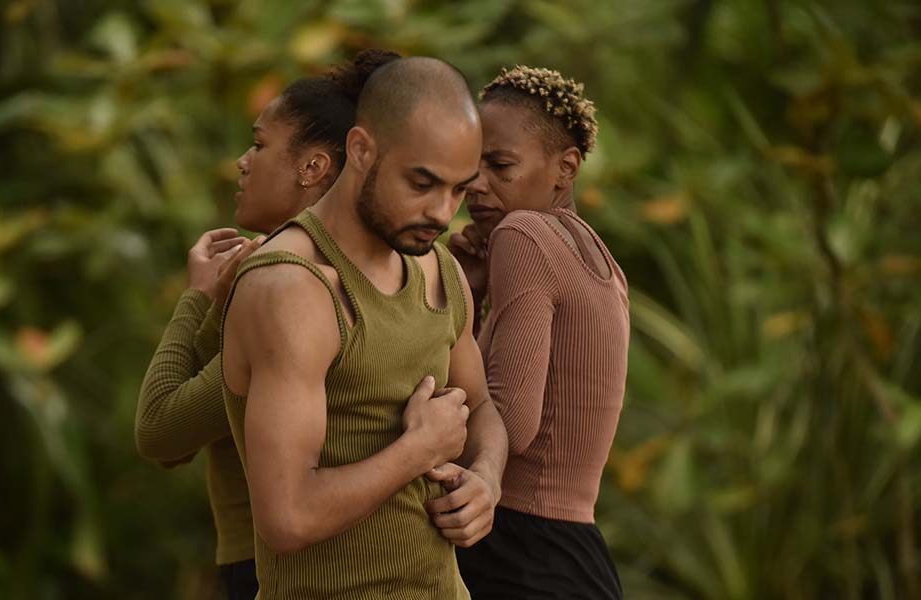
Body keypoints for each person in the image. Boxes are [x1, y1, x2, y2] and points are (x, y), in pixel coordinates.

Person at [220, 57, 509, 598]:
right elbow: (287, 517)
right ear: (360, 151)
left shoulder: (437, 267)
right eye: (422, 183)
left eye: (458, 190)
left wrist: (486, 482)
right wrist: (417, 451)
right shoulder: (292, 288)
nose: (443, 213)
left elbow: (482, 407)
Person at [135, 50, 400, 600]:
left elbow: (161, 433)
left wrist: (196, 298)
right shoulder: (390, 271)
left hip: (276, 571)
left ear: (314, 167)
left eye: (259, 144)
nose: (242, 161)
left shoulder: (283, 290)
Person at [449, 65, 628, 599]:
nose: (476, 185)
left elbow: (511, 423)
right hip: (574, 553)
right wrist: (474, 294)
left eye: (500, 165)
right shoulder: (602, 261)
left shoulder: (522, 232)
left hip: (519, 553)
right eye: (470, 167)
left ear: (564, 168)